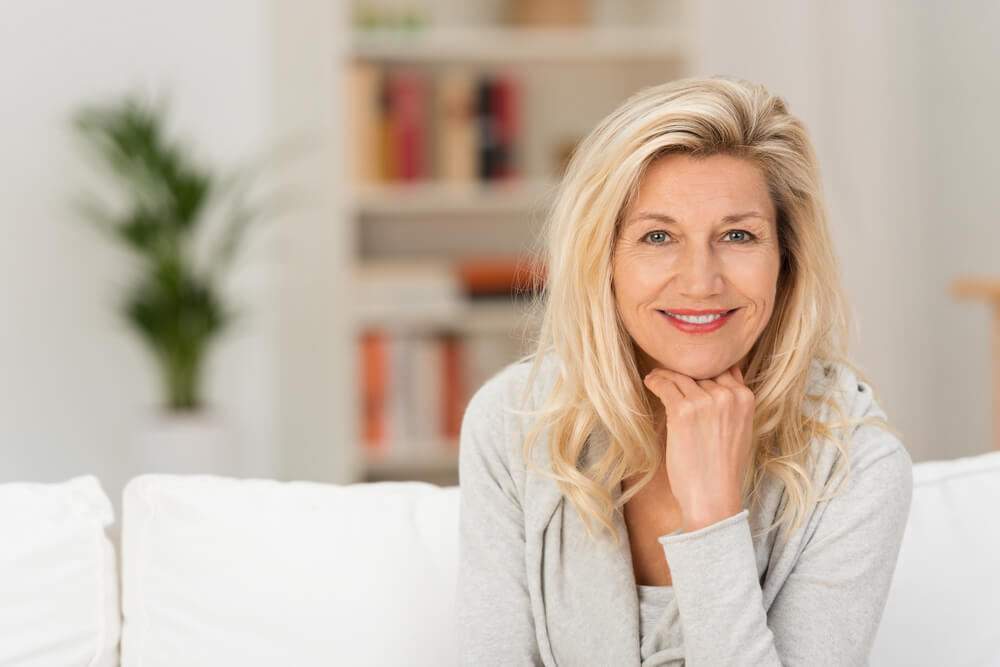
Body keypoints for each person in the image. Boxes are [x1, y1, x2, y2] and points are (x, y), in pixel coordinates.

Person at [455, 76, 913, 666]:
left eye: (738, 235)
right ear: (605, 262)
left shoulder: (853, 465)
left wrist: (714, 521)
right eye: (658, 236)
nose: (701, 281)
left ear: (786, 262)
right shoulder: (512, 422)